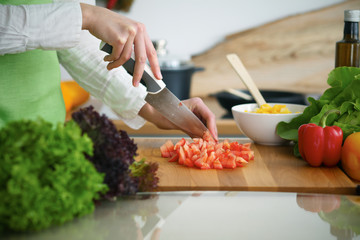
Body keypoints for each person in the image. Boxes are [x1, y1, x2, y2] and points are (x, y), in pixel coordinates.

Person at [0, 0, 218, 140]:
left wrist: (148, 106)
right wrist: (85, 16)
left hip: (48, 136)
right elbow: (78, 21)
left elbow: (76, 39)